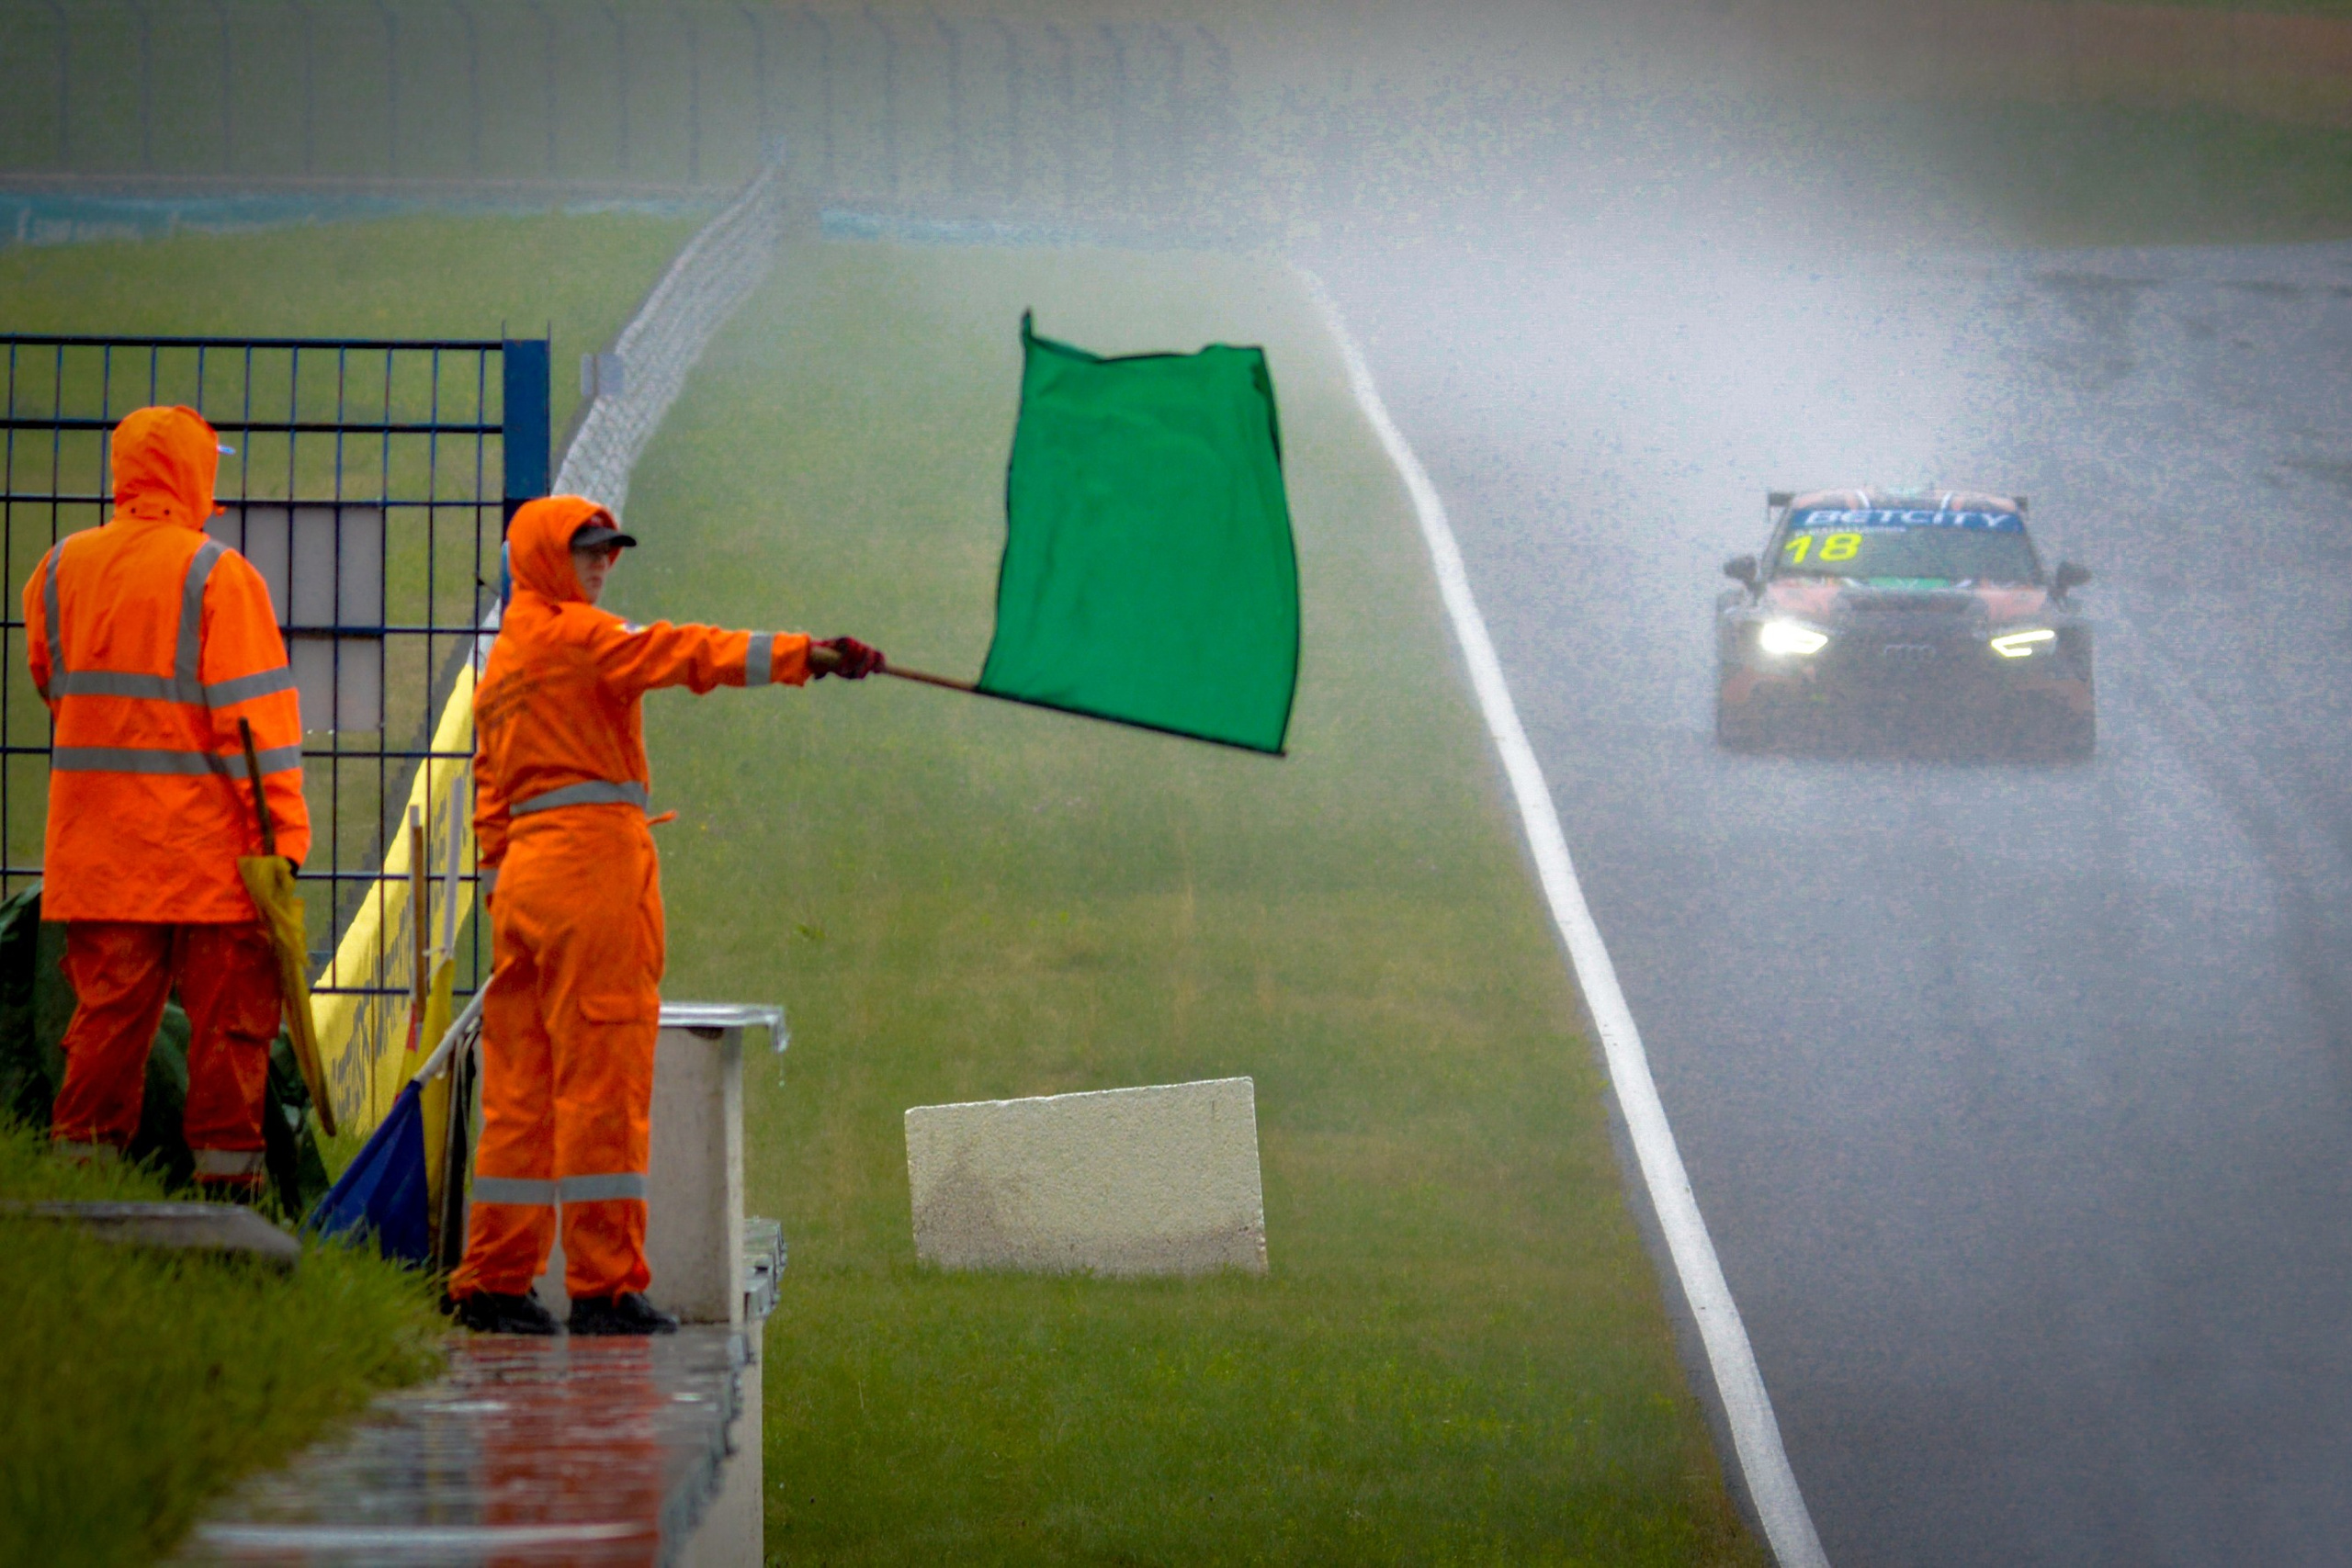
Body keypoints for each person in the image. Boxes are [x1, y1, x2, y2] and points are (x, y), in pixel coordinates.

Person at [446, 494, 884, 1336]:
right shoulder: (585, 638)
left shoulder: (504, 661)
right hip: (593, 876)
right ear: (544, 558)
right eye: (587, 553)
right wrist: (809, 655)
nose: (604, 565)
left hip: (527, 886)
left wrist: (506, 880)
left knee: (521, 1095)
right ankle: (604, 1289)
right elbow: (686, 651)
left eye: (610, 551)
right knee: (601, 1082)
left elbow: (489, 791)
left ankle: (494, 1282)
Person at [24, 405, 310, 1197]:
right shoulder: (217, 576)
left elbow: (56, 686)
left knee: (105, 1030)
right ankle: (227, 1215)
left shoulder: (55, 570)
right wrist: (281, 843)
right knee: (229, 1034)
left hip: (99, 853)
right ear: (195, 474)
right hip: (210, 863)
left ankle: (80, 1203)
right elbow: (256, 734)